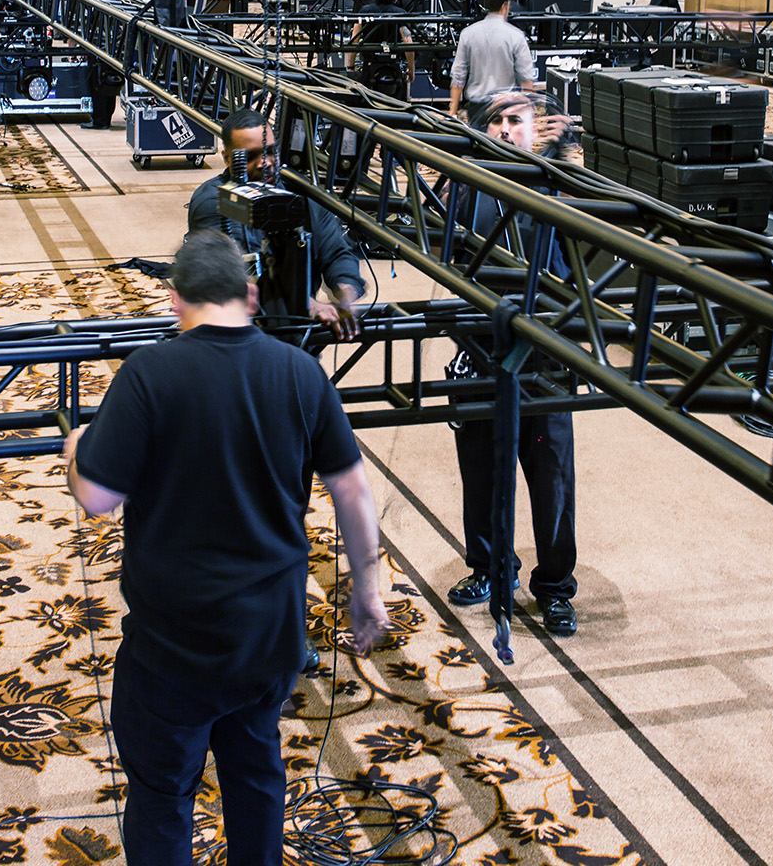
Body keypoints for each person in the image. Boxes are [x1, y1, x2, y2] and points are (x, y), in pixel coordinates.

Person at [64, 230, 390, 866]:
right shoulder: (299, 371)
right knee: (256, 771)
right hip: (267, 636)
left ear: (175, 300)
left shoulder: (148, 374)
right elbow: (352, 490)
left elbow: (98, 499)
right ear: (250, 293)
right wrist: (368, 589)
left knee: (162, 791)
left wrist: (77, 454)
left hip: (173, 643)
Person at [447, 89, 579, 637]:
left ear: (536, 129)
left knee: (551, 482)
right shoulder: (464, 184)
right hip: (480, 348)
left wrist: (568, 158)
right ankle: (489, 569)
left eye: (517, 121)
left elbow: (588, 263)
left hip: (545, 359)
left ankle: (554, 588)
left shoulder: (559, 188)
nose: (506, 130)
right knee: (482, 475)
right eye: (497, 121)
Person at [187, 106, 365, 342]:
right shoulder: (212, 202)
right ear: (228, 159)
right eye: (250, 156)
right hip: (236, 338)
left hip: (296, 337)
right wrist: (308, 304)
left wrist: (345, 298)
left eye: (270, 152)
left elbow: (337, 255)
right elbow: (238, 277)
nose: (265, 163)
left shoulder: (300, 196)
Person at [448, 0, 537, 123]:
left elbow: (458, 76)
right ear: (505, 6)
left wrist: (453, 111)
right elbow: (526, 79)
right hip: (505, 108)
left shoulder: (468, 34)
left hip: (476, 108)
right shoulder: (516, 36)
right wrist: (527, 115)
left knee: (477, 144)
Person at [346, 0, 415, 99]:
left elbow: (354, 39)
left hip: (370, 67)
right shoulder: (400, 13)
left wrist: (350, 67)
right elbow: (408, 42)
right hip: (394, 69)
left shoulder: (364, 11)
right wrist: (411, 69)